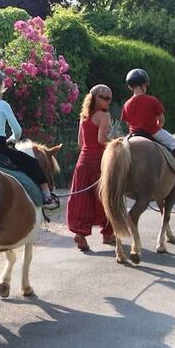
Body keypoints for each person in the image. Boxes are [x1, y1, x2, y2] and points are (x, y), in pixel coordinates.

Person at [0, 65, 59, 210]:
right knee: (32, 163)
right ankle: (47, 197)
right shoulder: (2, 105)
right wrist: (12, 139)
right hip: (1, 150)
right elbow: (17, 131)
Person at [66, 84, 117, 252]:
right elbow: (102, 139)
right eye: (106, 98)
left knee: (82, 199)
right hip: (99, 161)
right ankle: (107, 234)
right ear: (97, 98)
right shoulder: (104, 116)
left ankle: (80, 235)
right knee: (105, 196)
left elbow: (80, 143)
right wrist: (117, 142)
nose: (109, 102)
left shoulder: (84, 116)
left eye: (110, 98)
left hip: (82, 161)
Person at [121, 68, 175, 182]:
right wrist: (157, 128)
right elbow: (161, 119)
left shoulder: (127, 104)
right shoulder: (152, 100)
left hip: (134, 133)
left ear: (130, 86)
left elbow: (128, 123)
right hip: (152, 131)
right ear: (145, 84)